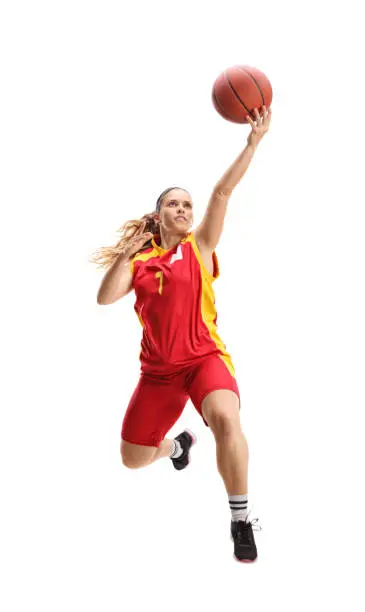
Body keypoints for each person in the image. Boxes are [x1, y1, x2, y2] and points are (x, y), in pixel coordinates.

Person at [92, 106, 272, 562]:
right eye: (174, 203)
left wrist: (252, 142)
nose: (184, 209)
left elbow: (222, 190)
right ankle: (177, 446)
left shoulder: (200, 246)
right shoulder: (140, 263)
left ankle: (240, 518)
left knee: (228, 419)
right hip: (159, 375)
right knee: (132, 458)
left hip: (203, 361)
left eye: (187, 204)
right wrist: (125, 254)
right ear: (158, 216)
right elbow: (105, 297)